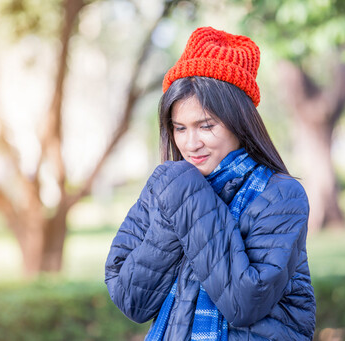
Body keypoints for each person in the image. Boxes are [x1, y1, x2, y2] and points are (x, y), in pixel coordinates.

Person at [105, 26, 316, 340]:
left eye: (206, 126)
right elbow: (130, 299)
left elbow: (245, 301)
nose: (190, 144)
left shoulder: (281, 196)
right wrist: (180, 195)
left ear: (238, 122)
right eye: (180, 128)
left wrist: (188, 197)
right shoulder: (171, 187)